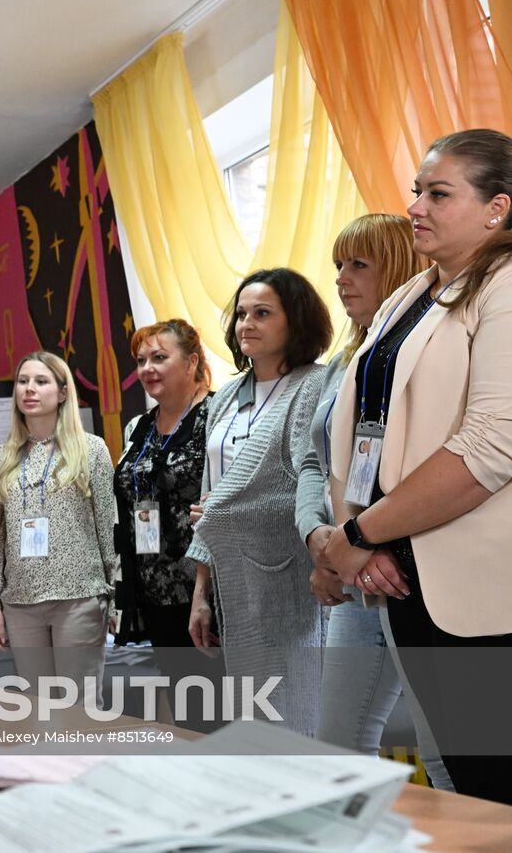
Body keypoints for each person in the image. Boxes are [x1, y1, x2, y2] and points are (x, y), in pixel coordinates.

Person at [321, 130, 512, 806]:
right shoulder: (409, 295)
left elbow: (493, 447)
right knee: (465, 784)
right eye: (417, 190)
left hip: (490, 589)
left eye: (439, 193)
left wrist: (355, 538)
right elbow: (360, 433)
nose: (417, 206)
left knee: (502, 794)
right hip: (405, 573)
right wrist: (357, 532)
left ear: (497, 209)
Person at [294, 214, 449, 785]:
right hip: (356, 568)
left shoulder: (429, 349)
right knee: (338, 744)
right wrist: (325, 544)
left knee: (445, 751)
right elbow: (314, 462)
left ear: (400, 269)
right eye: (338, 265)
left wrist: (358, 545)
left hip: (406, 567)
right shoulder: (345, 362)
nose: (341, 279)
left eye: (359, 265)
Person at [185, 268, 331, 736]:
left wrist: (224, 511)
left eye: (263, 313)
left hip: (292, 577)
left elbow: (312, 486)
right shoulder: (225, 397)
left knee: (299, 713)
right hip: (234, 581)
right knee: (255, 720)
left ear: (297, 321)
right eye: (241, 314)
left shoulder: (317, 385)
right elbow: (214, 496)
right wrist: (200, 594)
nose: (246, 323)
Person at [0, 352, 117, 695]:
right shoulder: (3, 456)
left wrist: (116, 596)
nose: (29, 389)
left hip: (78, 597)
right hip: (20, 602)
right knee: (37, 708)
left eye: (41, 382)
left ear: (62, 392)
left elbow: (108, 527)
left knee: (79, 708)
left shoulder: (92, 450)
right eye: (23, 381)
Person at [113, 320, 211, 652]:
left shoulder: (215, 416)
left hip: (205, 586)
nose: (147, 368)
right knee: (184, 694)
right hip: (153, 588)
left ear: (191, 361)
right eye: (141, 361)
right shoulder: (138, 428)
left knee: (224, 698)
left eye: (158, 358)